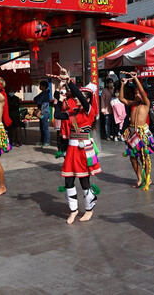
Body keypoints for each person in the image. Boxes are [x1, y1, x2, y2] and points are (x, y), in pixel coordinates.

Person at [53, 67, 101, 224]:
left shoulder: (89, 111)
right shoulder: (73, 112)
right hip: (71, 150)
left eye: (81, 97)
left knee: (84, 181)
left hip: (83, 150)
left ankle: (89, 209)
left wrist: (69, 80)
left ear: (87, 99)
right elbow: (57, 114)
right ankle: (73, 210)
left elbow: (78, 94)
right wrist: (58, 96)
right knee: (68, 181)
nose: (77, 99)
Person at [119, 72, 154, 190]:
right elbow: (121, 98)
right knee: (132, 158)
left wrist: (136, 79)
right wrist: (122, 84)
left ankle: (147, 178)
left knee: (144, 157)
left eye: (139, 94)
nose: (137, 95)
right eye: (135, 93)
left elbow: (142, 91)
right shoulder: (133, 104)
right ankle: (139, 178)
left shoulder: (146, 104)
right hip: (132, 134)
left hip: (142, 133)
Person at [34, 80, 51, 147]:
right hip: (41, 113)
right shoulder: (43, 93)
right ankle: (42, 141)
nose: (39, 87)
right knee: (42, 128)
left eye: (40, 86)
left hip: (44, 113)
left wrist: (38, 101)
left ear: (43, 86)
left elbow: (38, 101)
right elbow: (35, 99)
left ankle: (47, 141)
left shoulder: (45, 94)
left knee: (45, 128)